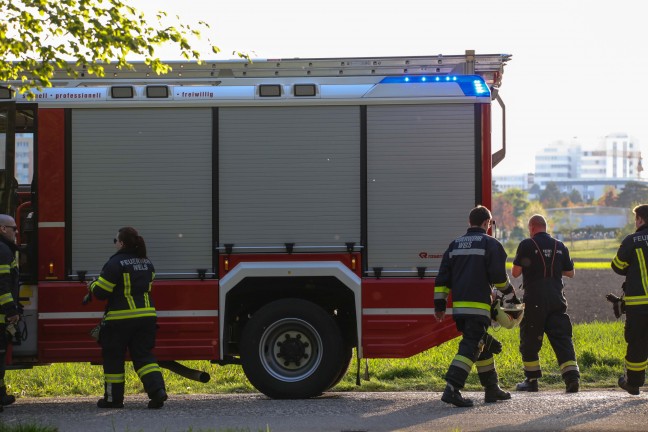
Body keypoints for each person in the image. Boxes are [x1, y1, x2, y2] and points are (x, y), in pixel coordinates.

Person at [435, 205, 518, 407]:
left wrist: (440, 304)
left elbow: (443, 279)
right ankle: (452, 388)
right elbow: (499, 279)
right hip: (479, 307)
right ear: (486, 223)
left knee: (482, 345)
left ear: (469, 222)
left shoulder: (454, 245)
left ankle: (492, 389)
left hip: (460, 310)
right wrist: (511, 294)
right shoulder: (490, 244)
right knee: (471, 346)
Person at [88, 227, 167, 409]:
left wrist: (91, 285)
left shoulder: (115, 263)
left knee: (113, 358)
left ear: (122, 243)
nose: (114, 243)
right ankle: (158, 392)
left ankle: (113, 399)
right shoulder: (146, 262)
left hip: (120, 320)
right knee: (144, 356)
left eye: (115, 240)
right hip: (147, 317)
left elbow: (102, 292)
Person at [512, 214, 579, 393]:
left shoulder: (527, 244)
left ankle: (531, 380)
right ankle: (572, 379)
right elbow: (570, 273)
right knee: (563, 339)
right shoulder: (560, 246)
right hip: (557, 299)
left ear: (532, 227)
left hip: (534, 301)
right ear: (545, 227)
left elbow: (516, 272)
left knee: (530, 340)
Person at [611, 204, 648, 395]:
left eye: (636, 219)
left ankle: (633, 383)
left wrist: (632, 269)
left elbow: (617, 266)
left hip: (639, 305)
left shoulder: (632, 240)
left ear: (640, 220)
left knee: (637, 342)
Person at [0, 215, 19, 411]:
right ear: (3, 229)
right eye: (14, 229)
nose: (16, 233)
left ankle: (1, 396)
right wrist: (11, 310)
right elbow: (3, 285)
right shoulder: (3, 250)